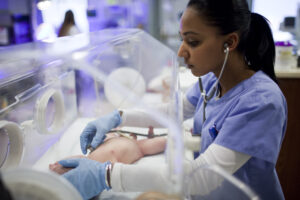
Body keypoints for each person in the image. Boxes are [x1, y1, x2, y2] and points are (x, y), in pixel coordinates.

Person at [58, 0, 287, 200]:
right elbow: (173, 111)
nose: (181, 52)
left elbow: (203, 177)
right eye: (182, 40)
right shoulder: (212, 81)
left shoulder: (262, 102)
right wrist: (118, 117)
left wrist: (107, 174)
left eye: (193, 42)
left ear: (229, 43)